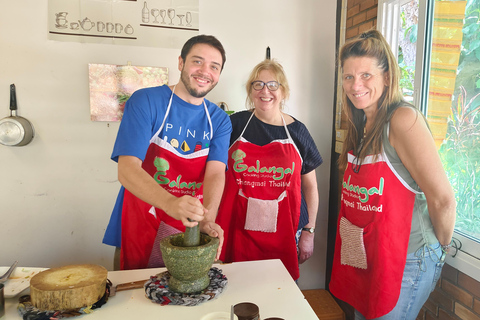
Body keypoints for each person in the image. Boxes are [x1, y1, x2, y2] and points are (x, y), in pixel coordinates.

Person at [329, 29, 456, 319]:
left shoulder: (402, 119)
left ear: (387, 78)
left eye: (366, 76)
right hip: (370, 253)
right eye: (348, 77)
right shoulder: (361, 123)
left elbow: (443, 199)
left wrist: (441, 250)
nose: (355, 85)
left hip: (406, 259)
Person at [102, 35, 232, 270]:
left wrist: (208, 219)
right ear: (181, 62)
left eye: (214, 66)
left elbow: (215, 174)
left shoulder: (219, 120)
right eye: (198, 61)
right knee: (136, 296)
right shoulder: (146, 101)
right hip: (142, 217)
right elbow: (127, 168)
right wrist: (171, 203)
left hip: (190, 222)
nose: (205, 71)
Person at [216, 59, 323, 281]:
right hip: (236, 232)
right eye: (258, 84)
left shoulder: (298, 132)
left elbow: (310, 187)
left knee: (279, 294)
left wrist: (309, 232)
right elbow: (212, 171)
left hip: (285, 233)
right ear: (250, 91)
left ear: (283, 92)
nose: (265, 91)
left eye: (273, 85)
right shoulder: (233, 124)